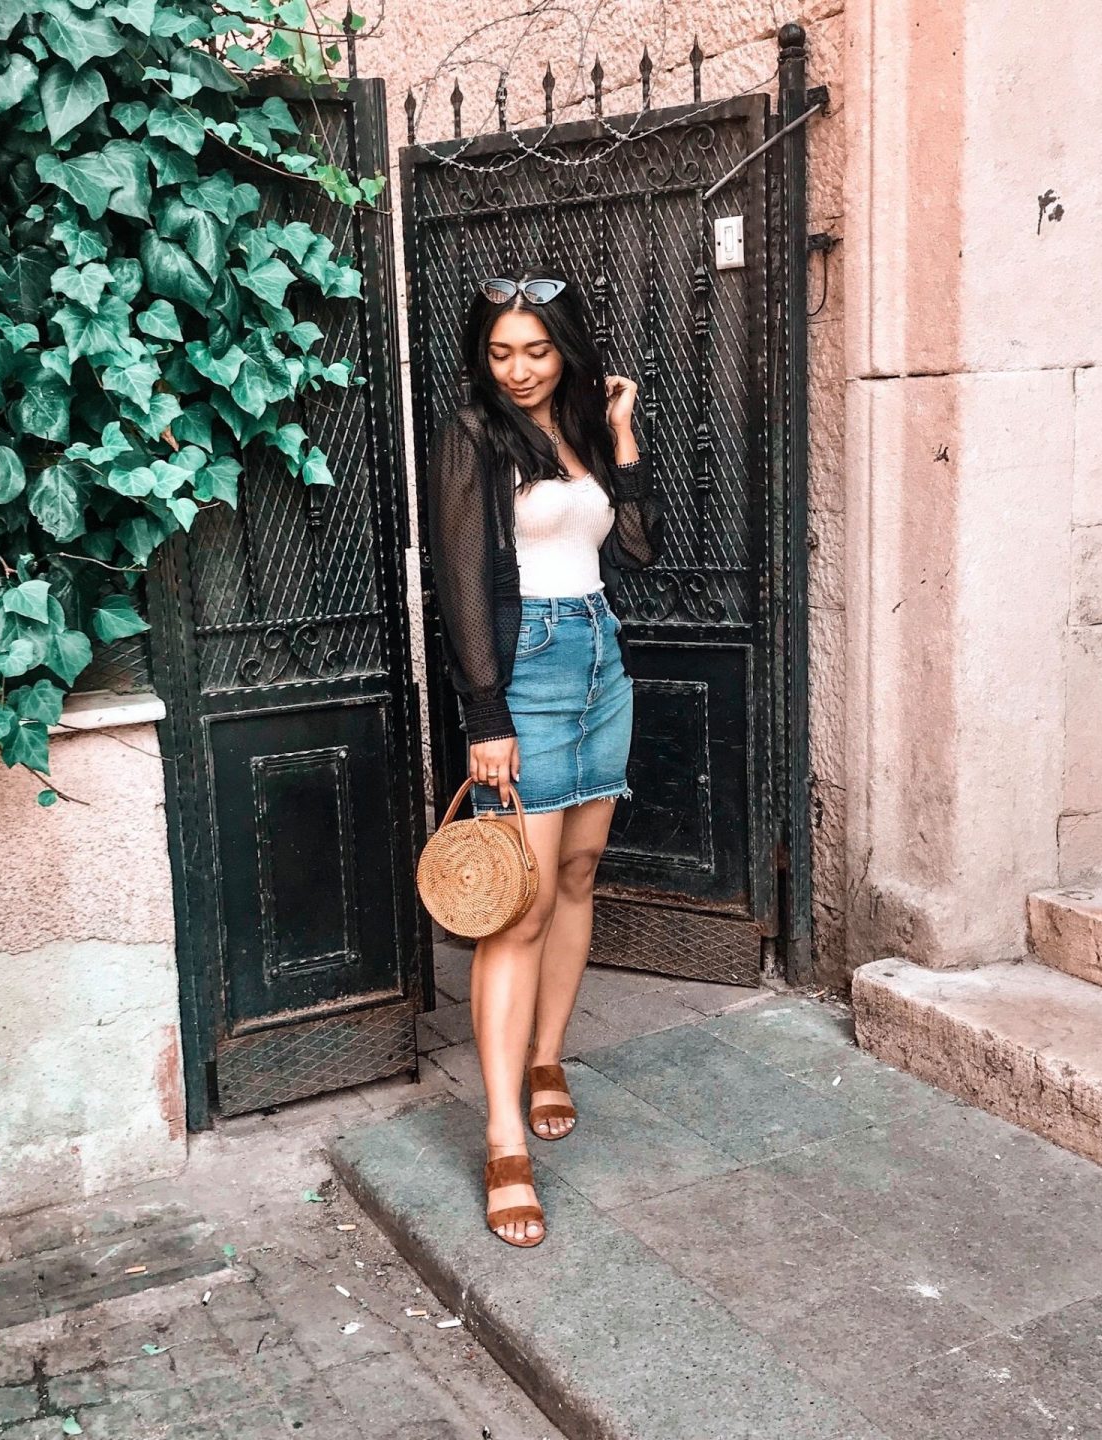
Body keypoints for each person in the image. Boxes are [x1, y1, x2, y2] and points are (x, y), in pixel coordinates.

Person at [426, 272, 662, 1247]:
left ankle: (548, 1056)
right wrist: (486, 713)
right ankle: (502, 1137)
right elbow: (461, 580)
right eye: (500, 351)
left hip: (603, 660)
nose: (519, 370)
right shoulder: (474, 437)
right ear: (483, 357)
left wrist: (623, 430)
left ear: (565, 346)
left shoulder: (581, 424)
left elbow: (639, 548)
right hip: (528, 672)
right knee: (515, 908)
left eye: (537, 349)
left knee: (576, 873)